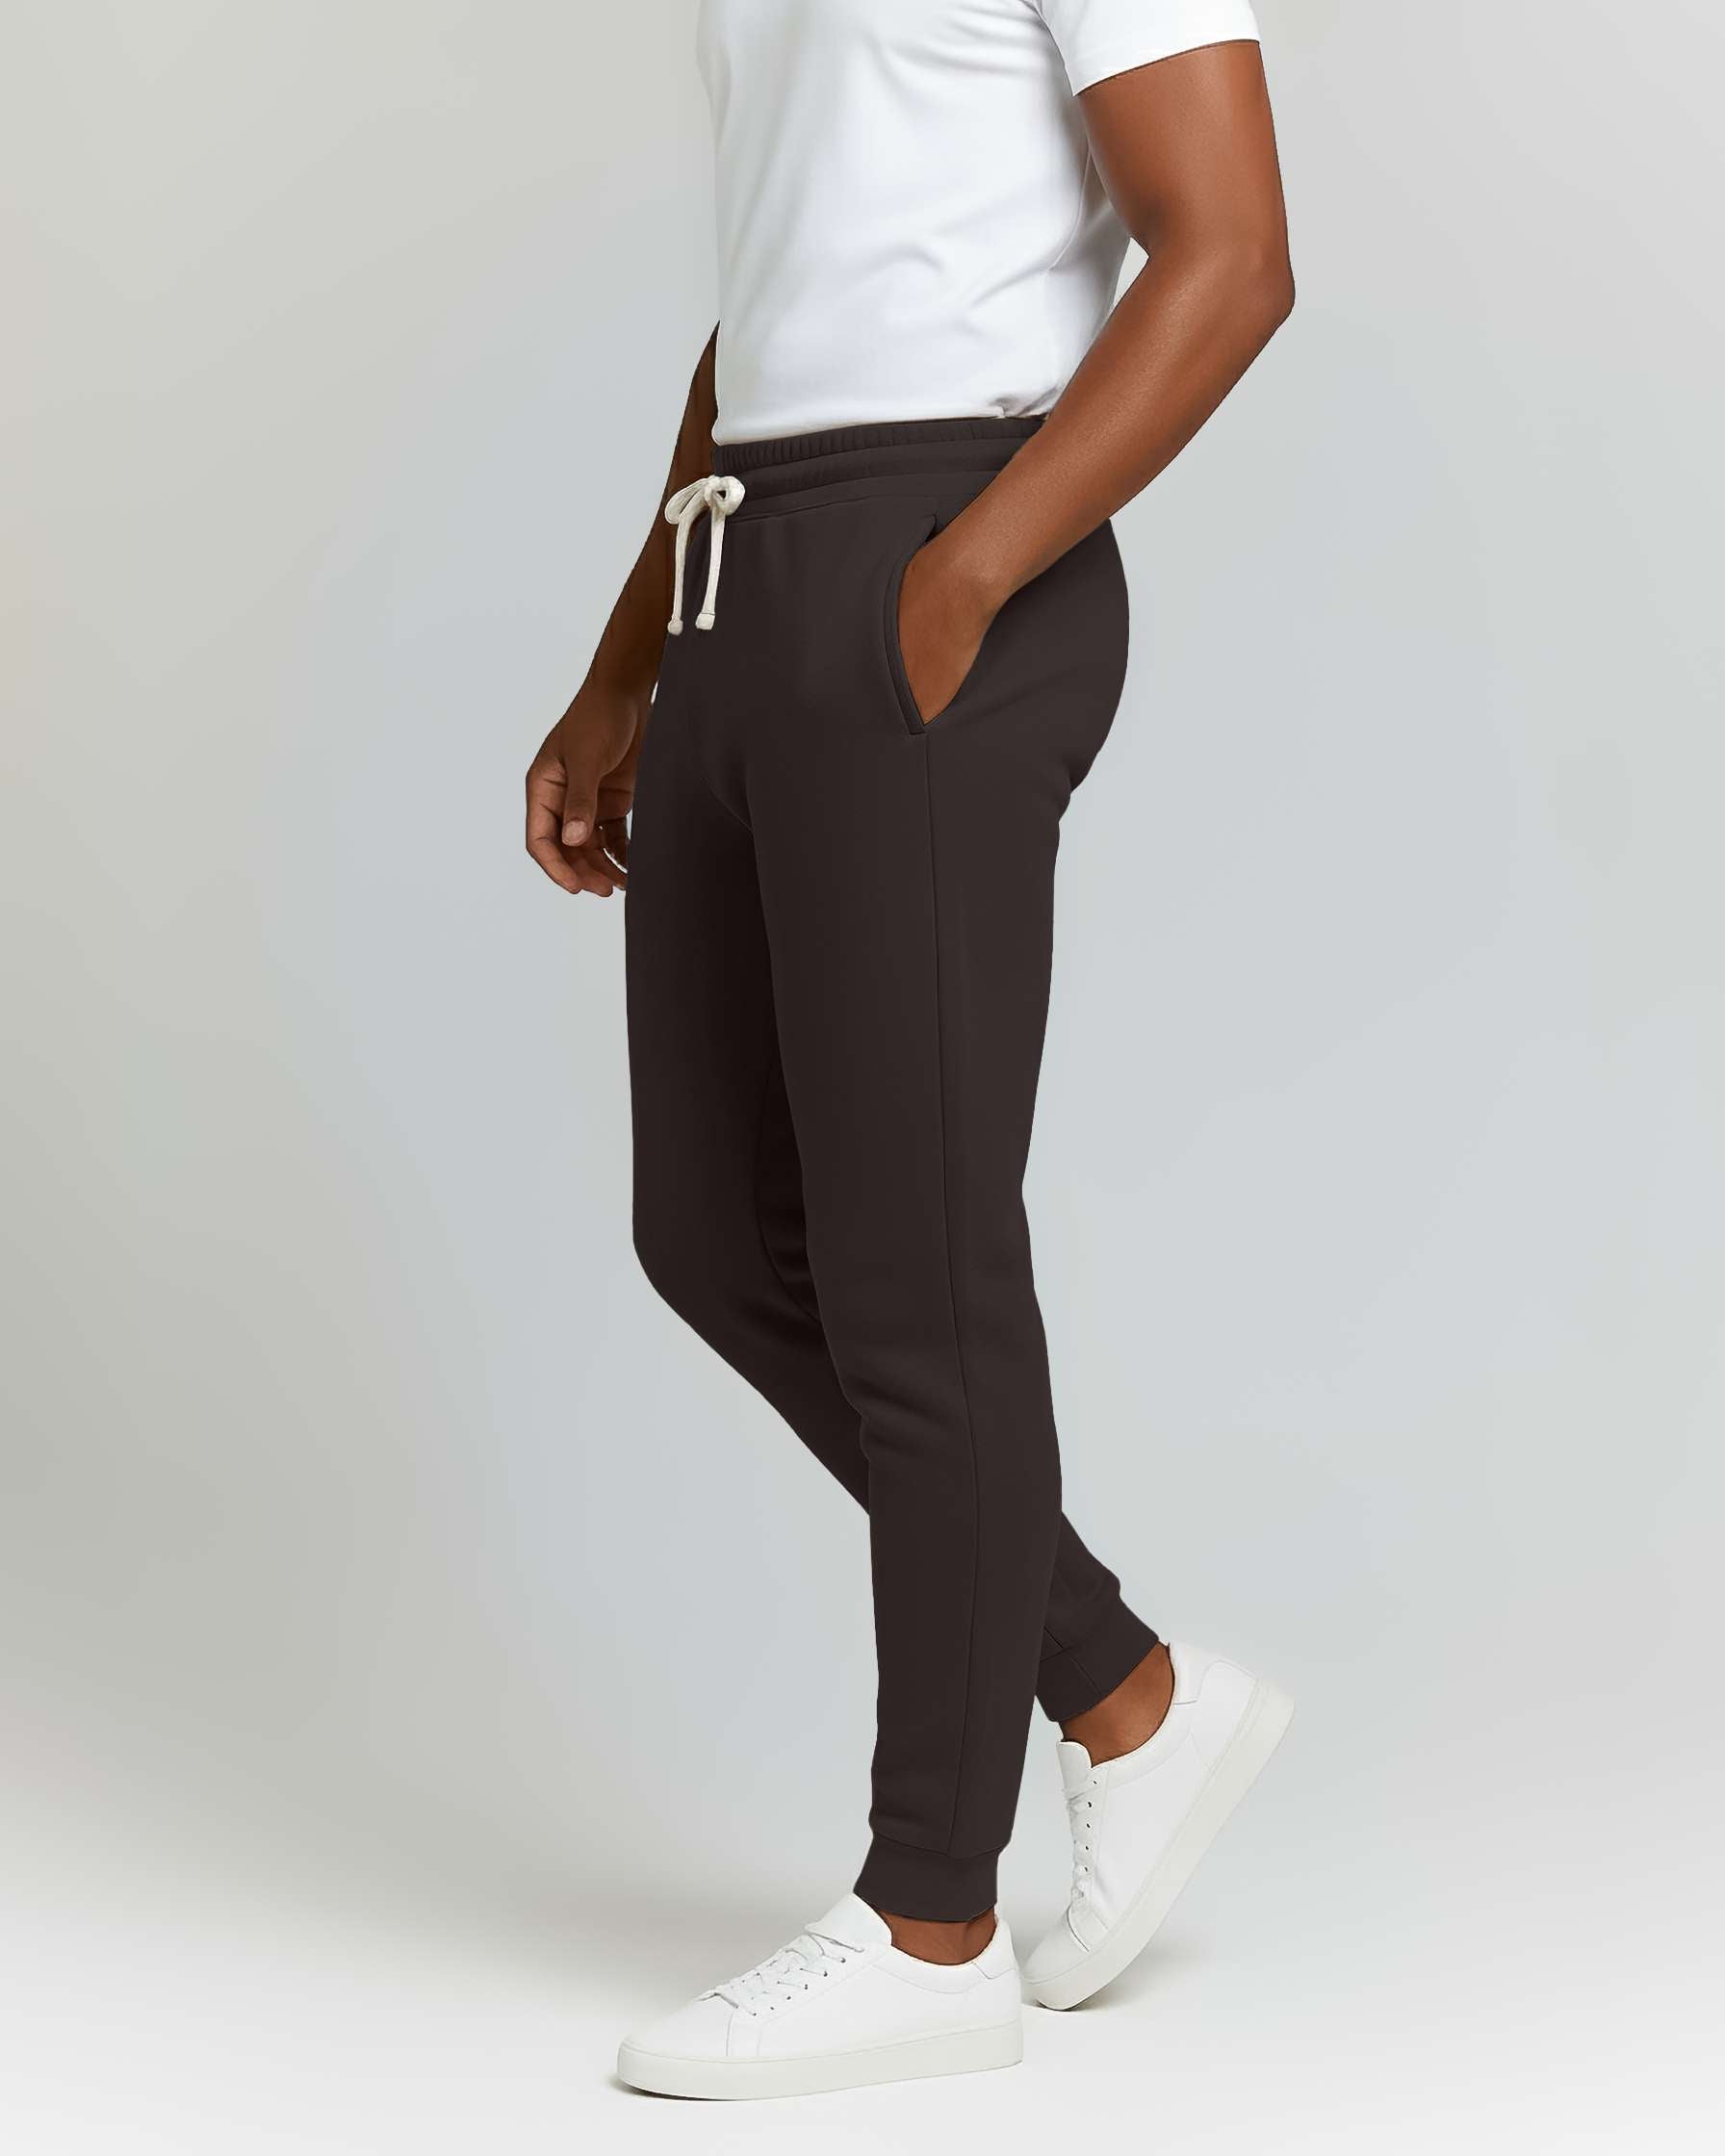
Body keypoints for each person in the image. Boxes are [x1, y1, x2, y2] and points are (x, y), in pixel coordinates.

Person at [527, 0, 1295, 2102]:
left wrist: (961, 578)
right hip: (745, 563)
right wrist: (629, 661)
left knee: (914, 1266)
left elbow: (1231, 250)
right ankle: (1124, 1695)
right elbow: (783, 305)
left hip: (944, 539)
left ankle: (931, 1925)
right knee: (714, 1233)